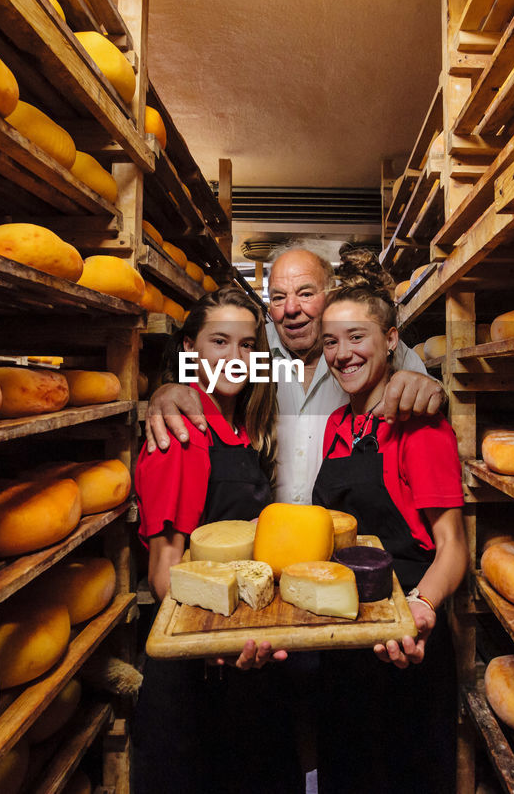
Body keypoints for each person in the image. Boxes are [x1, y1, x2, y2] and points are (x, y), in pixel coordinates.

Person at [130, 286, 301, 794]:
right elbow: (166, 572)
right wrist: (217, 647)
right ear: (189, 350)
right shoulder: (181, 436)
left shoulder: (237, 430)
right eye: (219, 342)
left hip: (242, 659)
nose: (235, 358)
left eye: (248, 345)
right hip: (201, 673)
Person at [311, 250, 468, 793]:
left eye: (357, 337)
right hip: (342, 636)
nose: (342, 354)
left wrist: (420, 608)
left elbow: (452, 546)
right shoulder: (336, 425)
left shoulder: (421, 428)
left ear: (391, 338)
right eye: (331, 342)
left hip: (406, 640)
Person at [144, 243, 445, 507]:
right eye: (278, 297)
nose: (290, 308)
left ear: (331, 295)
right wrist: (168, 390)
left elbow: (433, 397)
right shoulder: (251, 351)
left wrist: (431, 388)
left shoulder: (363, 348)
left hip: (347, 531)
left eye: (305, 293)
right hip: (265, 532)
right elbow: (202, 375)